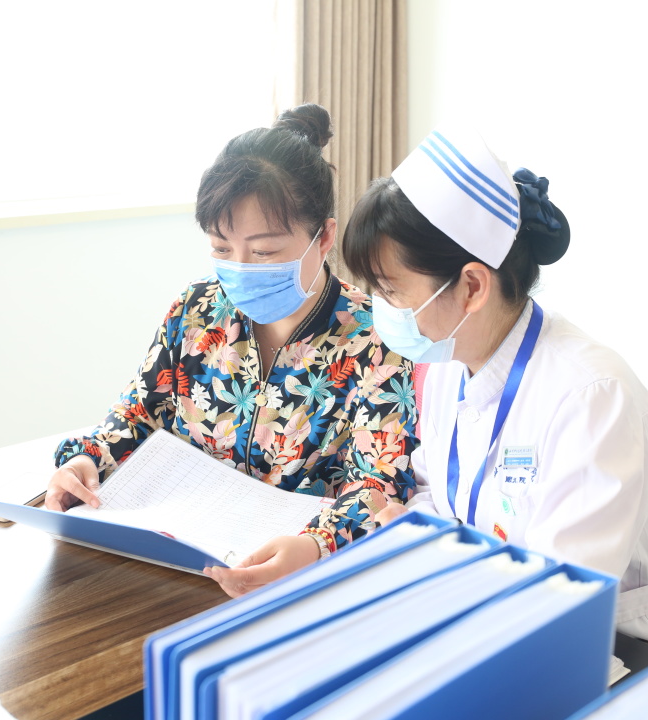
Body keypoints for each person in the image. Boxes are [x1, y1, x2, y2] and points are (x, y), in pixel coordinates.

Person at [341, 126, 648, 652]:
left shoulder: (592, 398)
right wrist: (411, 526)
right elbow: (439, 494)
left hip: (621, 651)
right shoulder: (447, 365)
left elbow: (559, 599)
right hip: (479, 617)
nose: (379, 307)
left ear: (472, 286)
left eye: (390, 290)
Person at [46, 105, 418, 597]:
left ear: (325, 236)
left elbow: (378, 485)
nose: (241, 268)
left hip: (295, 584)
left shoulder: (378, 340)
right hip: (165, 568)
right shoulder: (196, 310)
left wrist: (314, 546)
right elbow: (137, 415)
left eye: (264, 252)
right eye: (222, 249)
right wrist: (87, 461)